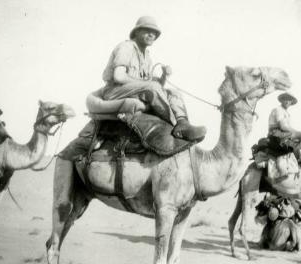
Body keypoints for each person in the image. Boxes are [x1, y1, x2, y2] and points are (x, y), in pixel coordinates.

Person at [58, 15, 206, 162]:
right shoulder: (126, 47)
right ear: (136, 32)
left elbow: (153, 86)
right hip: (114, 92)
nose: (151, 34)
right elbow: (119, 77)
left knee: (173, 92)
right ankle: (173, 125)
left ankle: (182, 123)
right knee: (152, 87)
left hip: (134, 92)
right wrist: (148, 84)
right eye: (147, 30)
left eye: (154, 33)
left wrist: (163, 77)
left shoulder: (147, 56)